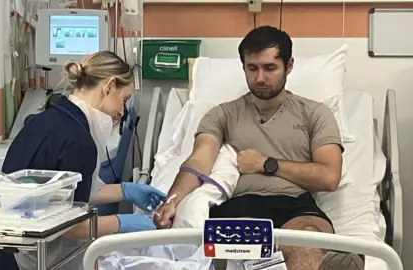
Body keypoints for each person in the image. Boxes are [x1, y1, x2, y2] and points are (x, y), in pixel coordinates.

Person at [153, 26, 364, 270]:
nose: (260, 78)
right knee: (223, 257)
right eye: (252, 68)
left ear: (289, 65)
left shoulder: (315, 114)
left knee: (305, 241)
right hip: (237, 208)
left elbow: (329, 177)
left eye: (269, 68)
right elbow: (198, 162)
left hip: (294, 205)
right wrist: (172, 200)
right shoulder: (222, 115)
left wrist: (266, 164)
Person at [0, 51, 165, 270]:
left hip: (10, 251)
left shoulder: (45, 120)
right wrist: (125, 223)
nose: (122, 112)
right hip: (34, 259)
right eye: (124, 100)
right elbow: (71, 226)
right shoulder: (78, 142)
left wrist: (128, 190)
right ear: (109, 86)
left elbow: (70, 193)